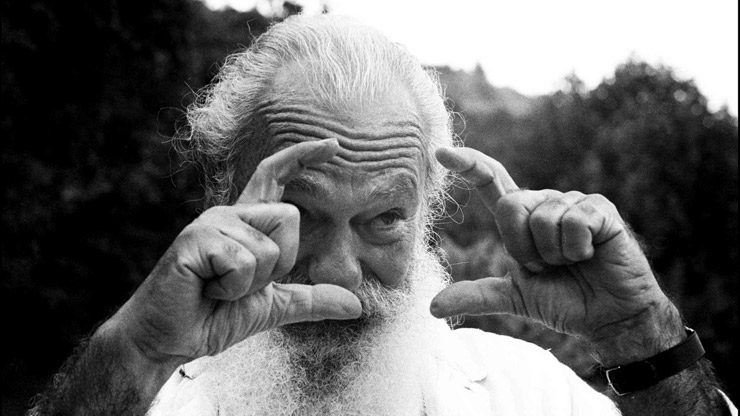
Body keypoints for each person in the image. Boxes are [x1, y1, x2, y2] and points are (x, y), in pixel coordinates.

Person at [29, 14, 735, 416]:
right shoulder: (139, 400)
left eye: (384, 219)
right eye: (298, 214)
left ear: (427, 217)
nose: (339, 275)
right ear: (225, 199)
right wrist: (137, 352)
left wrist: (640, 334)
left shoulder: (526, 396)